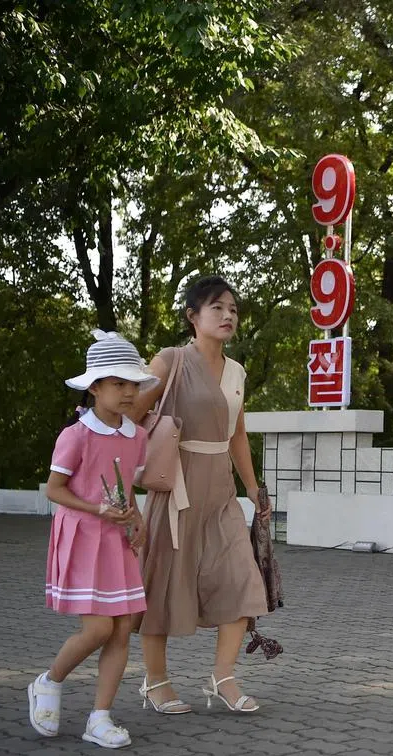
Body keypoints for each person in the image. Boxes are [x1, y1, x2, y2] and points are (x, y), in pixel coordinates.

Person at [131, 275, 271, 715]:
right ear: (193, 316)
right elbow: (131, 417)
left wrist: (252, 486)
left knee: (243, 580)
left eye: (233, 309)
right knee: (162, 585)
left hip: (222, 493)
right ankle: (155, 682)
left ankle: (223, 678)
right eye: (217, 307)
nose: (228, 315)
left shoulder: (237, 373)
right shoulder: (169, 361)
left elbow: (238, 434)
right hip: (177, 489)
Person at [29, 330, 153, 749]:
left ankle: (99, 717)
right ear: (95, 387)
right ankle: (49, 681)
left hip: (118, 541)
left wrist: (138, 519)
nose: (128, 391)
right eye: (118, 383)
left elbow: (125, 489)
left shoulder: (137, 436)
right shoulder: (75, 435)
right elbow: (55, 490)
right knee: (99, 628)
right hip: (83, 536)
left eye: (133, 383)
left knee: (122, 630)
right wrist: (97, 510)